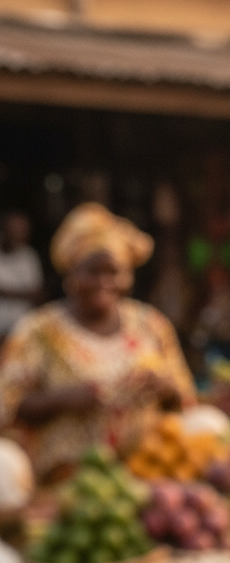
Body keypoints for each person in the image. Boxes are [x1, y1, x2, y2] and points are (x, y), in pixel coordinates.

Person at [0, 203, 196, 480]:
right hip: (64, 484)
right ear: (71, 273)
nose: (104, 282)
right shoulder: (38, 332)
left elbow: (185, 398)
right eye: (93, 271)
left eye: (114, 272)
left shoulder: (151, 325)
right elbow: (8, 406)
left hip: (148, 478)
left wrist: (163, 386)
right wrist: (66, 398)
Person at [0, 211, 43, 342]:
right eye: (13, 230)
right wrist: (24, 293)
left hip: (21, 331)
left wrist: (6, 292)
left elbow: (38, 294)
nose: (19, 234)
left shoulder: (29, 256)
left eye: (23, 230)